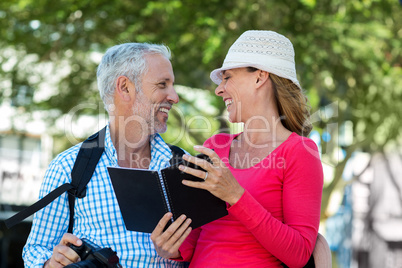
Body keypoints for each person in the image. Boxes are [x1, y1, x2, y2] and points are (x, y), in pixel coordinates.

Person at [151, 30, 324, 267]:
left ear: (259, 77)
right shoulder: (216, 146)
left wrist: (235, 195)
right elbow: (196, 240)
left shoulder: (299, 152)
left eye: (227, 77)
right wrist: (170, 246)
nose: (219, 89)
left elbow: (299, 253)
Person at [23, 43, 188, 268]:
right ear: (125, 87)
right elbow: (36, 250)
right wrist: (50, 264)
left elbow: (213, 248)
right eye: (162, 84)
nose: (174, 97)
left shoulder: (184, 166)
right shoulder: (68, 167)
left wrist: (182, 251)